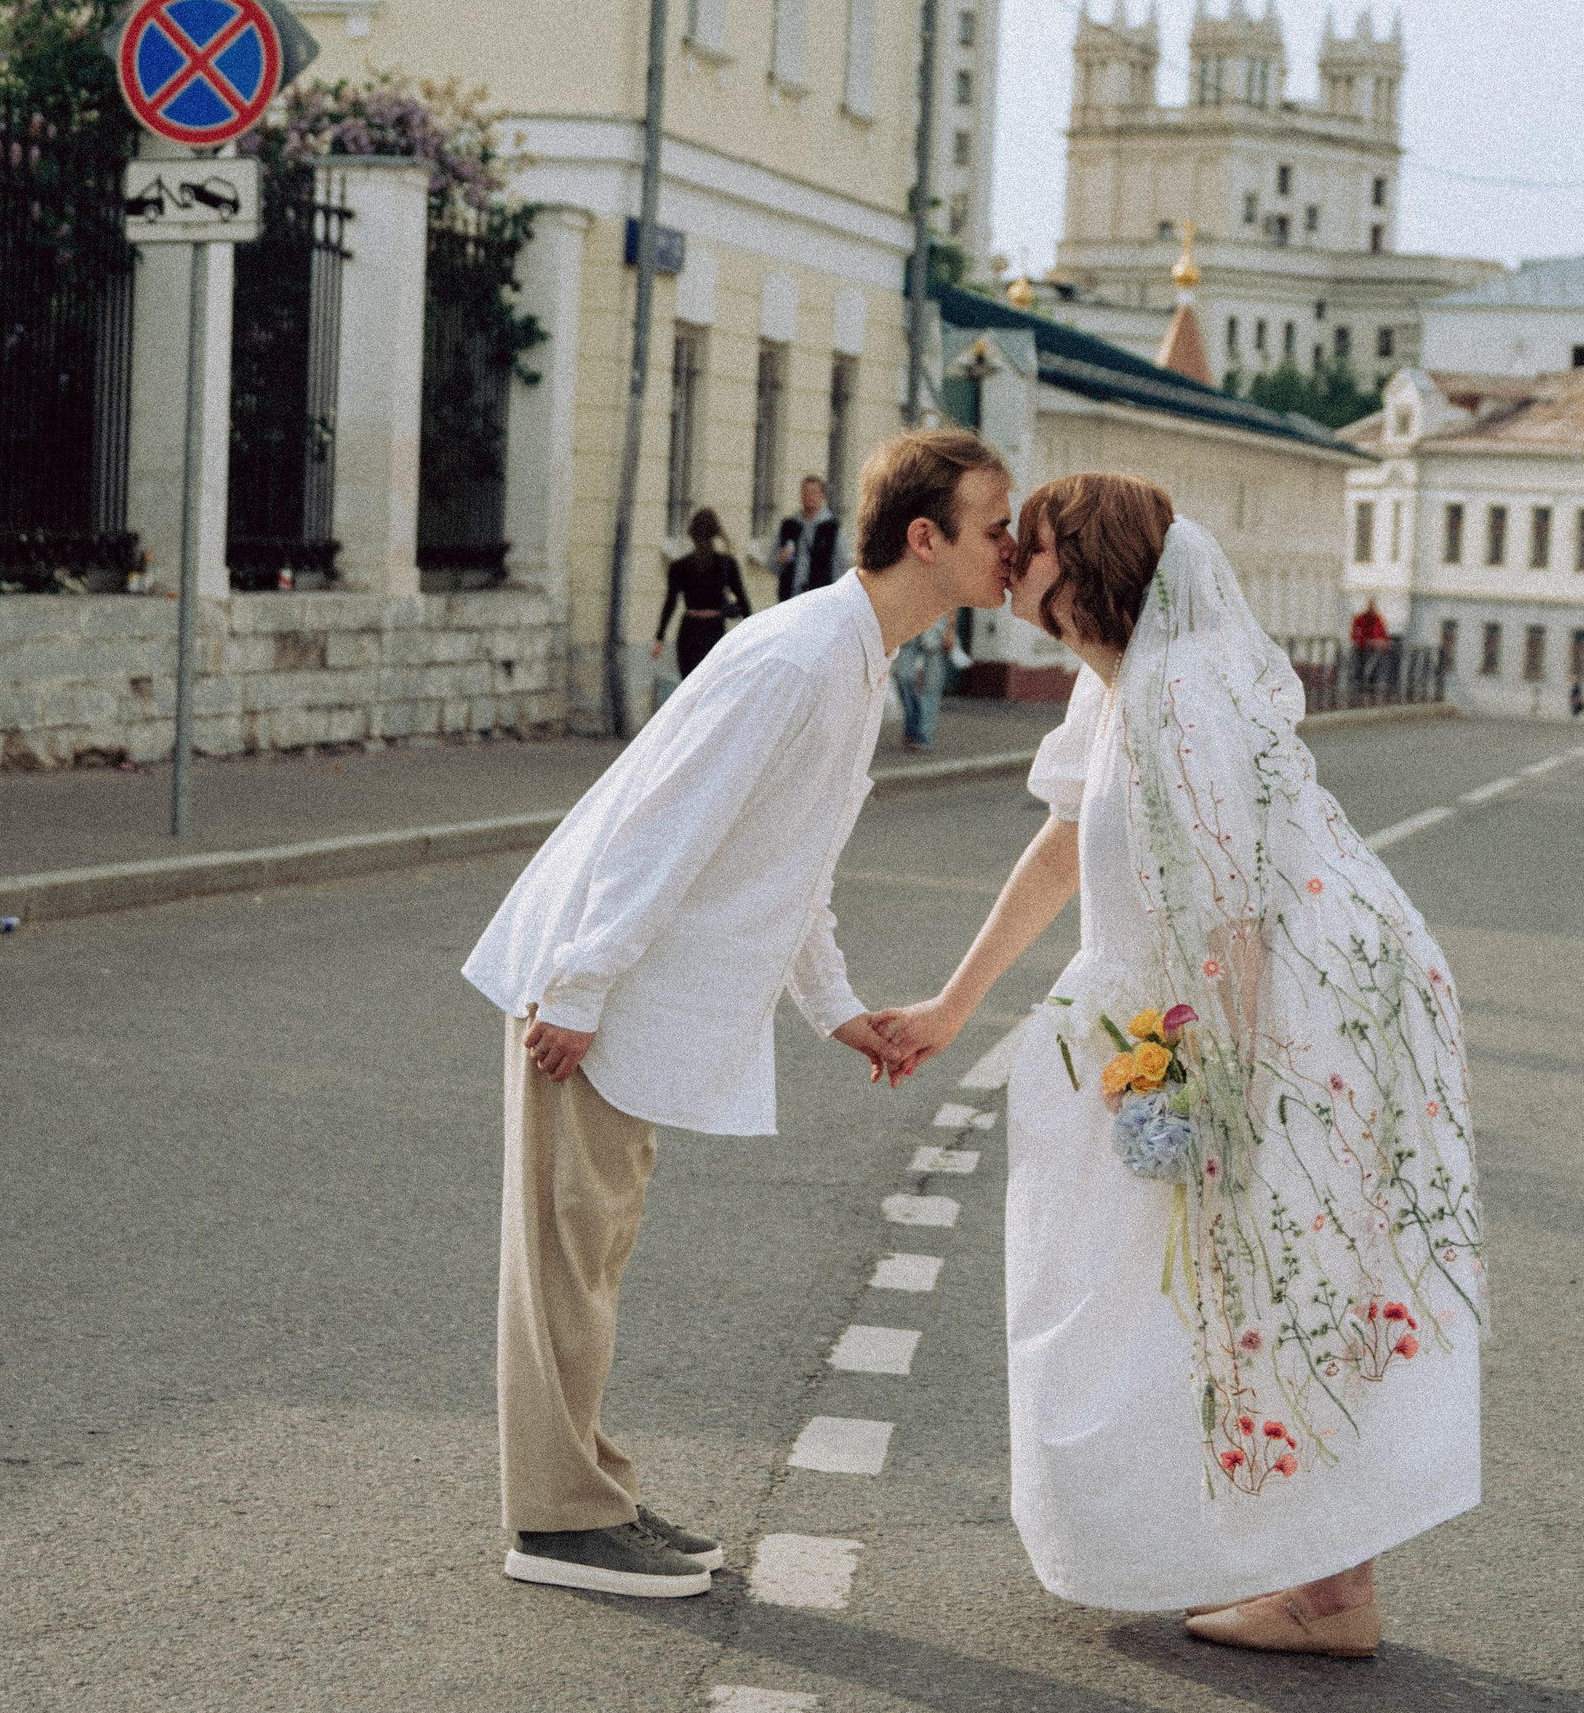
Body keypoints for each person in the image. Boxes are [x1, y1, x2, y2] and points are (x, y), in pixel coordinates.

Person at [874, 474, 1482, 1656]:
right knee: (1213, 1283)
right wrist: (955, 1001)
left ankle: (1327, 1588)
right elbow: (1064, 846)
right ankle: (1314, 1577)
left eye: (1028, 540)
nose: (1007, 557)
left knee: (1267, 1269)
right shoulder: (1116, 691)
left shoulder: (1181, 687)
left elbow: (1237, 907)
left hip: (1293, 1007)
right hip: (1215, 995)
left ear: (1080, 560)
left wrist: (1225, 1083)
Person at [462, 426, 1016, 1604]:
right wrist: (578, 985)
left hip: (637, 998)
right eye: (997, 524)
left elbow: (791, 857)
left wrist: (836, 1007)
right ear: (927, 536)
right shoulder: (802, 656)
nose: (1013, 547)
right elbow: (665, 819)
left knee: (591, 1251)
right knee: (566, 1258)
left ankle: (587, 1491)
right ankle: (558, 1519)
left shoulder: (853, 657)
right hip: (600, 997)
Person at [655, 509, 751, 681]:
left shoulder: (679, 566)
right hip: (714, 629)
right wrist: (752, 632)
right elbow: (743, 599)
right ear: (716, 533)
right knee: (711, 684)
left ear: (691, 534)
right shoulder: (727, 564)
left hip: (689, 630)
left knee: (689, 684)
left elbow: (670, 602)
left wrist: (660, 637)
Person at [773, 474, 841, 600]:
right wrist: (780, 561)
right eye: (805, 492)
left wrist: (833, 596)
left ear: (823, 496)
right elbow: (772, 562)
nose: (808, 496)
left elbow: (839, 565)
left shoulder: (832, 528)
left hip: (819, 598)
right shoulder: (789, 526)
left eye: (813, 492)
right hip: (790, 596)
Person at [891, 618, 949, 748]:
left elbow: (954, 603)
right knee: (903, 676)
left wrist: (950, 631)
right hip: (910, 626)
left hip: (937, 629)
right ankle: (912, 726)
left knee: (930, 686)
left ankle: (923, 736)